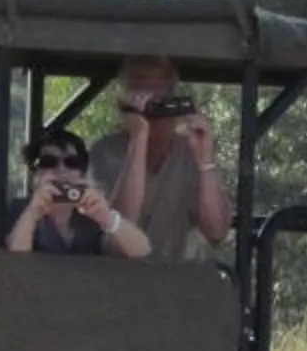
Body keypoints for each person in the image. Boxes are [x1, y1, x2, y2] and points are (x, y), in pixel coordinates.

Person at [94, 57, 231, 262]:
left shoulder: (188, 152)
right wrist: (139, 137)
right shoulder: (106, 152)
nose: (157, 108)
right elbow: (117, 234)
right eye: (145, 98)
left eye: (164, 97)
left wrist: (205, 161)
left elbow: (217, 231)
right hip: (115, 280)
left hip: (174, 281)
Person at [3, 126, 149, 257]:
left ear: (82, 173)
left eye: (72, 163)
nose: (61, 170)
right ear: (34, 175)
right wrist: (32, 214)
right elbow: (14, 261)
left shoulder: (91, 216)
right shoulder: (20, 209)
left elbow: (142, 251)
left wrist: (108, 218)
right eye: (49, 162)